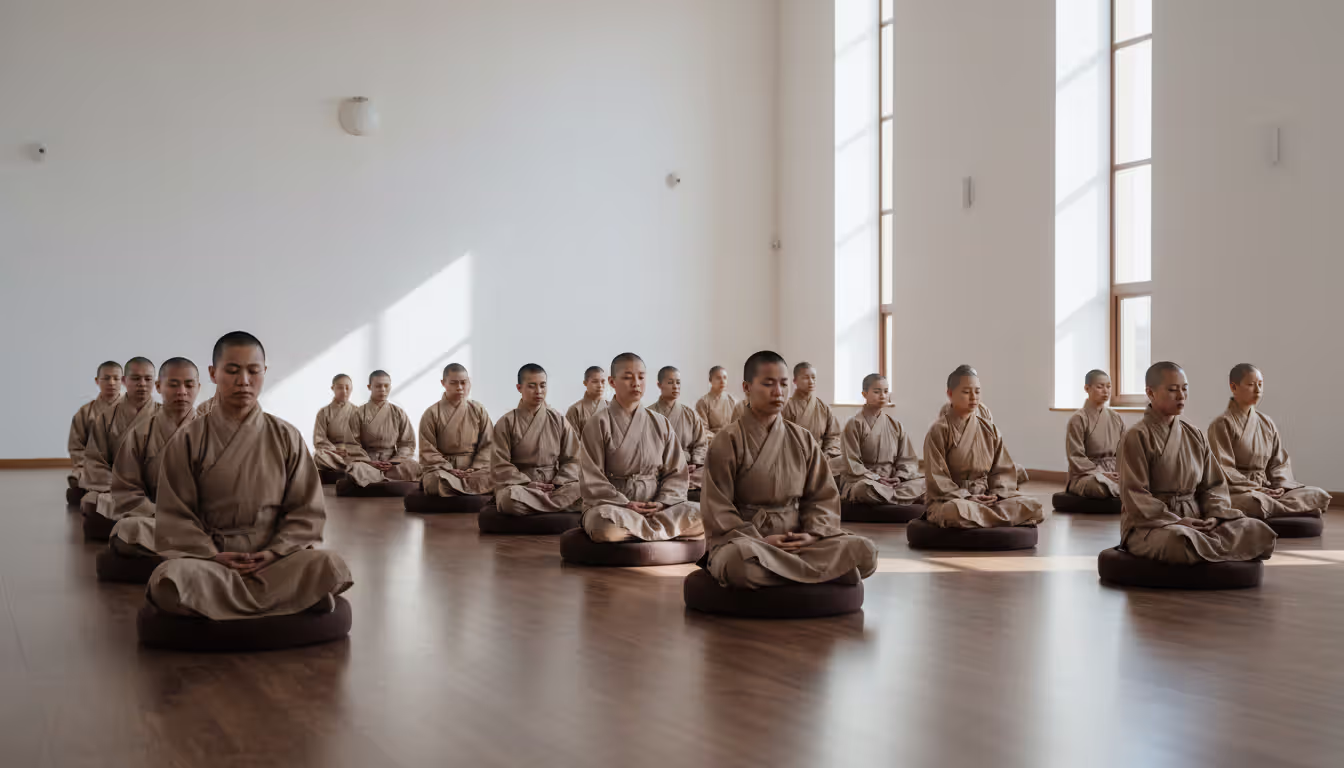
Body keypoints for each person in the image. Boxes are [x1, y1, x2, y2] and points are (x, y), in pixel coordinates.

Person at [149, 332, 352, 619]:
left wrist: (274, 552)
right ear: (213, 373)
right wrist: (211, 554)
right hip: (213, 563)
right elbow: (176, 516)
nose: (243, 380)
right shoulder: (187, 440)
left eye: (253, 371)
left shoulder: (286, 436)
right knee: (168, 578)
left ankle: (216, 608)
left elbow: (306, 512)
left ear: (264, 372)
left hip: (272, 561)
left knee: (330, 566)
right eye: (232, 371)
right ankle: (292, 604)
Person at [702, 351, 877, 588]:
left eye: (783, 384)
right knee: (737, 564)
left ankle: (787, 574)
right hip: (750, 542)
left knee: (865, 551)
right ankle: (820, 574)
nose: (778, 392)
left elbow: (822, 497)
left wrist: (812, 534)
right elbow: (718, 507)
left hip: (799, 540)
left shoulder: (803, 439)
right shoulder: (727, 440)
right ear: (747, 387)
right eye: (768, 384)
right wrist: (761, 539)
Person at [1118, 362, 1276, 563]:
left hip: (1199, 519)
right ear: (1151, 393)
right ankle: (1215, 547)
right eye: (1173, 390)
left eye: (1184, 389)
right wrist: (1178, 521)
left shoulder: (1194, 434)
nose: (1181, 395)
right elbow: (1135, 496)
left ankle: (1208, 546)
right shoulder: (1136, 436)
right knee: (1179, 541)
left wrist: (1214, 515)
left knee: (1257, 530)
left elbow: (1213, 486)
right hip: (1155, 525)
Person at [578, 353, 703, 543]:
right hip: (616, 507)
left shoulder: (660, 423)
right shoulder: (598, 423)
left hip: (657, 507)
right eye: (628, 377)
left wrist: (662, 502)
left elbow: (676, 473)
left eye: (641, 377)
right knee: (603, 525)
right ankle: (660, 531)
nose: (636, 383)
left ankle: (640, 530)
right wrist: (625, 503)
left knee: (705, 515)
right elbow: (592, 478)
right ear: (612, 381)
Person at [924, 365, 1044, 528]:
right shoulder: (938, 430)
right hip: (955, 500)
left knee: (1034, 506)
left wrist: (996, 494)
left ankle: (981, 517)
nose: (973, 397)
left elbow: (1002, 471)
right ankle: (995, 518)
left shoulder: (990, 429)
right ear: (950, 394)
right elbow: (937, 478)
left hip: (986, 497)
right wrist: (966, 497)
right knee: (953, 511)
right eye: (966, 392)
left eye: (977, 392)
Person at [1206, 364, 1330, 520]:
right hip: (1239, 491)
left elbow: (1279, 463)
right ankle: (1295, 510)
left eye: (1260, 384)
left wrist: (1280, 486)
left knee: (1319, 494)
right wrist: (1257, 489)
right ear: (1233, 387)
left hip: (1268, 489)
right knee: (1255, 502)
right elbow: (1223, 468)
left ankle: (1279, 509)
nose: (1257, 390)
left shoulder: (1266, 422)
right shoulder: (1221, 424)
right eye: (1251, 385)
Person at [107, 358, 201, 556]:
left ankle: (173, 557)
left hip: (203, 522)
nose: (182, 392)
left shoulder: (213, 432)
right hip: (156, 518)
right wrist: (161, 514)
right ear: (158, 386)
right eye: (173, 384)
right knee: (129, 529)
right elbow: (126, 491)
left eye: (189, 384)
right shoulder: (140, 434)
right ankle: (196, 557)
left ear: (198, 387)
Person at [490, 364, 581, 514]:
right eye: (532, 386)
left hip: (555, 485)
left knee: (585, 491)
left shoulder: (558, 420)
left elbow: (574, 459)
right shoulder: (506, 422)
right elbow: (499, 464)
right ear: (519, 388)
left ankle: (538, 506)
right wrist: (527, 483)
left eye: (543, 385)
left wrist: (559, 482)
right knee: (508, 499)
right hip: (523, 486)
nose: (539, 391)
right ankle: (556, 506)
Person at [82, 357, 158, 509]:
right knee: (93, 502)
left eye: (147, 379)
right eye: (136, 378)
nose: (142, 384)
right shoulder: (106, 418)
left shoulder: (166, 415)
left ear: (155, 382)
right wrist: (120, 486)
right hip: (115, 488)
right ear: (124, 380)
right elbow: (94, 461)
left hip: (156, 487)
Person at [839, 374, 925, 505]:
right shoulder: (854, 424)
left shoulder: (895, 425)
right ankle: (902, 500)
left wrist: (899, 477)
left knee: (926, 483)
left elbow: (907, 460)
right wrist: (877, 478)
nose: (883, 396)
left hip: (893, 481)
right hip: (867, 481)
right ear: (864, 394)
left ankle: (890, 498)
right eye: (876, 391)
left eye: (886, 391)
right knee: (862, 490)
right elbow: (853, 464)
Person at [418, 363, 494, 496]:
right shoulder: (431, 413)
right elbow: (427, 450)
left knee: (499, 475)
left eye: (463, 383)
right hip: (444, 469)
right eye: (453, 383)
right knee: (434, 481)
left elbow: (488, 444)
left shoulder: (478, 409)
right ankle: (471, 489)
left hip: (475, 468)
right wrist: (448, 469)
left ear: (469, 382)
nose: (459, 388)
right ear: (443, 383)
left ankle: (458, 489)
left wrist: (475, 468)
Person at [345, 370, 421, 487]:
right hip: (368, 462)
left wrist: (394, 461)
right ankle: (389, 481)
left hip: (392, 462)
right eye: (378, 386)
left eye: (386, 386)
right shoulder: (358, 413)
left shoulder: (398, 412)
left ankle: (375, 481)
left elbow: (407, 443)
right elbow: (352, 444)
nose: (383, 390)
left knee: (414, 466)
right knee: (356, 468)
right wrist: (370, 462)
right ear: (369, 387)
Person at [1064, 369, 1125, 498]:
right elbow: (1076, 456)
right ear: (1087, 388)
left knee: (1144, 481)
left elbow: (1125, 450)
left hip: (1114, 470)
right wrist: (1100, 473)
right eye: (1100, 387)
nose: (1106, 391)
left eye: (1108, 386)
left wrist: (1121, 472)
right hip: (1087, 475)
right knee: (1100, 487)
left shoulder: (1116, 417)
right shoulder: (1078, 419)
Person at [648, 366, 709, 490]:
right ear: (659, 385)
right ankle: (674, 484)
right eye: (670, 382)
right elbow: (645, 449)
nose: (675, 386)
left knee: (712, 473)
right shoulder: (648, 414)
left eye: (678, 382)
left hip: (688, 468)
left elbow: (701, 443)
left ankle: (674, 485)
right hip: (659, 468)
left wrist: (695, 463)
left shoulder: (690, 413)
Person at [780, 362, 844, 476]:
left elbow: (833, 437)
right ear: (795, 381)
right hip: (794, 458)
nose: (811, 381)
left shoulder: (824, 408)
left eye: (813, 378)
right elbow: (781, 439)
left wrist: (825, 456)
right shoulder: (786, 407)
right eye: (805, 378)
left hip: (821, 457)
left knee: (846, 462)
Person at [67, 361, 123, 490]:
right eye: (106, 378)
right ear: (97, 381)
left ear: (123, 380)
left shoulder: (133, 410)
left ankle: (90, 490)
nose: (111, 382)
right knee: (86, 474)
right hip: (94, 466)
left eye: (116, 378)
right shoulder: (85, 412)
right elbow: (76, 446)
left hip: (125, 466)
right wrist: (83, 465)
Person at [312, 374, 359, 473]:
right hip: (332, 454)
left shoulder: (358, 412)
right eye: (340, 388)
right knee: (319, 456)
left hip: (351, 453)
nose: (344, 391)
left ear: (351, 388)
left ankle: (350, 467)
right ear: (333, 388)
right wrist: (334, 450)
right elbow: (319, 439)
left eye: (347, 388)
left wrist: (350, 450)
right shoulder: (323, 413)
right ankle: (350, 468)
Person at [695, 366, 739, 442]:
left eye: (725, 378)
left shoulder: (733, 401)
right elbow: (702, 430)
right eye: (718, 378)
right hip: (713, 442)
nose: (722, 381)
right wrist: (720, 439)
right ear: (710, 380)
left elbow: (739, 426)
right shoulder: (703, 402)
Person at [565, 366, 608, 436]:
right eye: (595, 382)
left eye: (603, 382)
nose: (600, 385)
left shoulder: (612, 407)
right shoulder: (575, 410)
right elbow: (572, 442)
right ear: (585, 383)